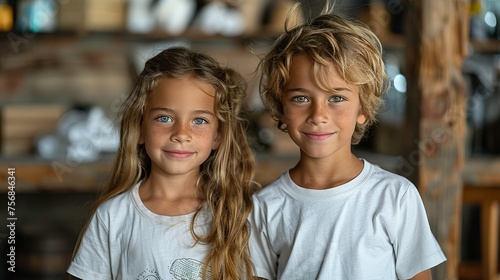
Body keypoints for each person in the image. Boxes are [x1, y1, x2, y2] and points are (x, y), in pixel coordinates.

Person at [248, 3, 446, 280]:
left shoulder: (396, 197)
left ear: (362, 109)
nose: (319, 116)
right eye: (301, 98)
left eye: (337, 98)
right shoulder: (264, 207)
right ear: (281, 108)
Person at [67, 46, 260, 280]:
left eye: (199, 120)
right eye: (164, 118)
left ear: (218, 136)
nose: (181, 133)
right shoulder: (113, 216)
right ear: (139, 129)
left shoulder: (237, 215)